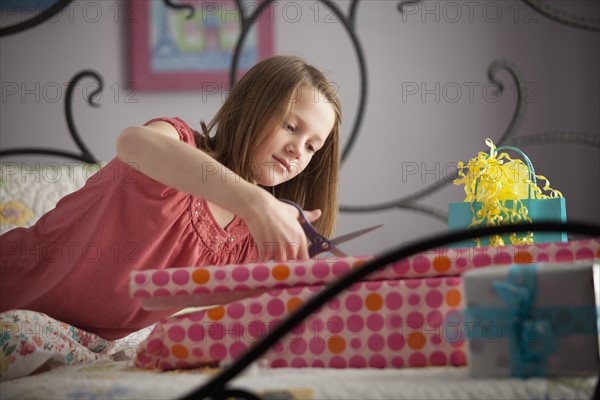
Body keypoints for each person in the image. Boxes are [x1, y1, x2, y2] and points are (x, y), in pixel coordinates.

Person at [0, 55, 342, 340]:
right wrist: (256, 202)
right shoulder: (177, 145)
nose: (298, 150)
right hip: (12, 285)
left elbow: (247, 319)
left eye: (312, 146)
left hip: (73, 339)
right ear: (253, 107)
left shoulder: (254, 240)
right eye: (291, 127)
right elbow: (133, 143)